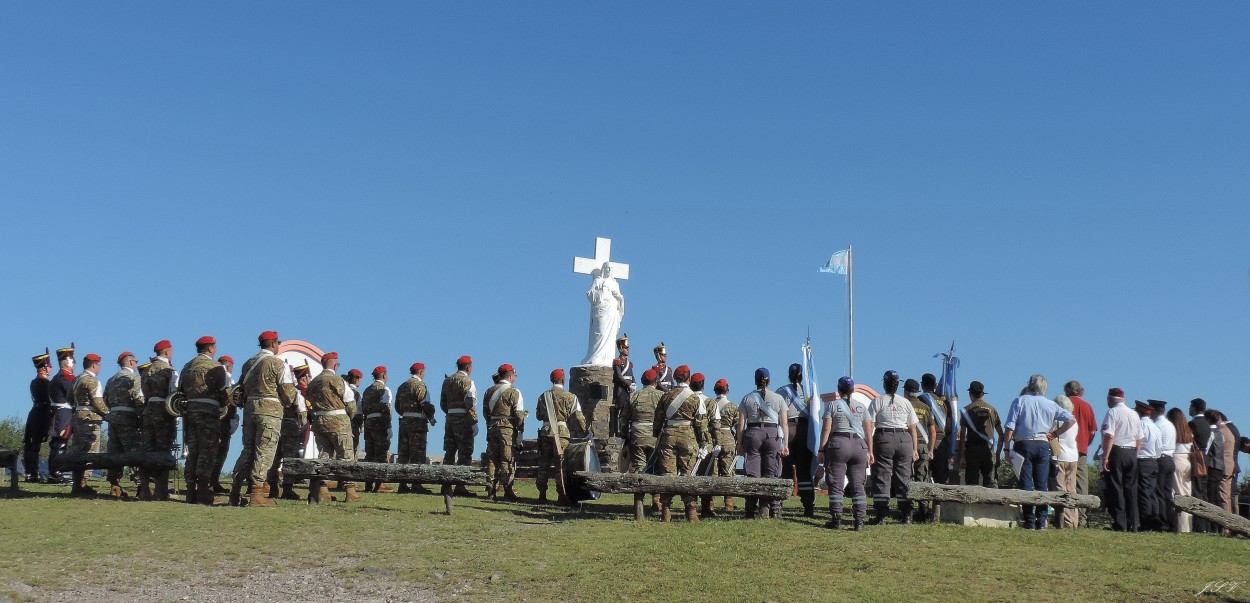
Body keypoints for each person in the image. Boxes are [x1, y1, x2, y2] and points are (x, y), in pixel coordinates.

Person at [228, 330, 298, 507]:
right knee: (264, 451)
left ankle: (235, 491)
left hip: (250, 410)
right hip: (270, 412)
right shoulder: (277, 364)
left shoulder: (248, 363)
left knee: (248, 450)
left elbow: (239, 388)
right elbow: (289, 396)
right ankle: (256, 493)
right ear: (274, 344)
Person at [1001, 374, 1075, 530]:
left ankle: (1029, 520)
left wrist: (1006, 448)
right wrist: (1055, 434)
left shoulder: (1020, 401)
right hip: (1043, 444)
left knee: (1026, 483)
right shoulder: (1050, 404)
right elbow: (1071, 420)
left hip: (1024, 444)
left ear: (1029, 385)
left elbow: (1009, 427)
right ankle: (1041, 521)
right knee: (1042, 484)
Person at [653, 367, 710, 522]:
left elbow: (657, 420)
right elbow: (701, 423)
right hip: (688, 437)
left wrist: (656, 436)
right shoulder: (695, 398)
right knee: (688, 474)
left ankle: (666, 510)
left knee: (667, 474)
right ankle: (691, 511)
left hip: (668, 436)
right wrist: (704, 442)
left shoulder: (665, 396)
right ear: (688, 378)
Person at [178, 336, 230, 505]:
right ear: (211, 349)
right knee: (207, 450)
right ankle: (202, 490)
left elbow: (180, 392)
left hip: (190, 413)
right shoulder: (215, 367)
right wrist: (224, 404)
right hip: (208, 413)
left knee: (193, 450)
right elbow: (224, 393)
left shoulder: (187, 367)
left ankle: (190, 490)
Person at [305, 352, 362, 504]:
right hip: (338, 421)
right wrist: (348, 415)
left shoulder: (314, 382)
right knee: (346, 455)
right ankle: (350, 491)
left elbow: (308, 399)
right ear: (335, 365)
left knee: (324, 454)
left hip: (319, 420)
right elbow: (350, 403)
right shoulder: (338, 381)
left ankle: (322, 490)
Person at [865, 370, 919, 525]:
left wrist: (869, 448)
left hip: (884, 438)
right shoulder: (906, 402)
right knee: (904, 477)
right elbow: (913, 428)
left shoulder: (877, 401)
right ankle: (907, 514)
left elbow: (870, 425)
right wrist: (914, 449)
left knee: (882, 476)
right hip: (904, 439)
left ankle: (881, 514)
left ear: (884, 383)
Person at [736, 368, 789, 519]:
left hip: (753, 432)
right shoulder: (778, 398)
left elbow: (741, 425)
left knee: (753, 473)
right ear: (769, 381)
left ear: (755, 380)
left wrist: (739, 444)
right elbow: (784, 424)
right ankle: (775, 509)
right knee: (771, 472)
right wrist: (785, 444)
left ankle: (750, 510)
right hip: (772, 434)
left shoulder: (747, 398)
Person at [820, 376, 869, 531]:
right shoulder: (861, 407)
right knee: (858, 485)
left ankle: (837, 519)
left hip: (839, 444)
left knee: (836, 484)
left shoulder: (833, 405)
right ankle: (859, 521)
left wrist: (821, 449)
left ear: (839, 390)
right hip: (859, 445)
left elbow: (827, 428)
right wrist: (870, 451)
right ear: (853, 390)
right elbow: (868, 432)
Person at [535, 368, 587, 505]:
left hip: (546, 431)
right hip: (561, 433)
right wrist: (586, 431)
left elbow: (538, 416)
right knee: (561, 465)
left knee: (544, 463)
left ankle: (541, 494)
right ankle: (562, 494)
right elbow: (579, 416)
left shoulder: (543, 396)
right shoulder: (570, 396)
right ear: (563, 379)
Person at [141, 340, 179, 501]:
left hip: (148, 409)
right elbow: (174, 393)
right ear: (167, 352)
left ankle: (144, 488)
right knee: (163, 449)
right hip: (163, 410)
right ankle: (160, 490)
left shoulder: (146, 370)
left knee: (148, 449)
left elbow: (142, 391)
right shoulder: (170, 371)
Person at [1100, 387, 1142, 531]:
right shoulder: (1134, 414)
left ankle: (1120, 523)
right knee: (1130, 489)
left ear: (1111, 399)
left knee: (1116, 487)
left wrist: (1106, 456)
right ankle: (1134, 523)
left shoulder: (1112, 412)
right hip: (1131, 451)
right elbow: (1140, 438)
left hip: (1117, 450)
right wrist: (1134, 454)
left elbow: (1109, 436)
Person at [777, 363, 816, 517]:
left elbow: (780, 414)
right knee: (804, 471)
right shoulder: (810, 390)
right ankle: (808, 506)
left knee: (785, 470)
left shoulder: (782, 391)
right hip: (805, 430)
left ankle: (778, 506)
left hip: (789, 429)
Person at [103, 352, 144, 498]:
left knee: (115, 452)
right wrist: (142, 417)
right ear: (132, 363)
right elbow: (138, 399)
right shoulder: (134, 379)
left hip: (113, 418)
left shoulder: (111, 380)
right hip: (129, 419)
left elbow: (105, 400)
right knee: (134, 452)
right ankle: (141, 486)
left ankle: (115, 485)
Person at [267, 363, 311, 499]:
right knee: (289, 459)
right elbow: (303, 413)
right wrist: (300, 426)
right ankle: (287, 489)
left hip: (275, 426)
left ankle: (273, 488)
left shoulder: (274, 392)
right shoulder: (295, 392)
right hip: (290, 428)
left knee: (274, 459)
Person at [482, 364, 525, 501]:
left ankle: (491, 490)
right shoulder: (514, 392)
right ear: (511, 375)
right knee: (507, 459)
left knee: (492, 459)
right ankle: (507, 489)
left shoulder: (489, 391)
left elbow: (485, 412)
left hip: (492, 426)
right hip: (507, 429)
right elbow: (519, 415)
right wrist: (520, 431)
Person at [69, 353, 109, 495]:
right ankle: (83, 483)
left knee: (78, 451)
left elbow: (69, 398)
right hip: (90, 418)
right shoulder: (93, 381)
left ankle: (76, 483)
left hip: (77, 417)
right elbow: (98, 401)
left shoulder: (76, 379)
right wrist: (108, 414)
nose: (99, 368)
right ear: (94, 365)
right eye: (99, 365)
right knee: (91, 451)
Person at [394, 362, 437, 495]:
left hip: (404, 420)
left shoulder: (402, 386)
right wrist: (431, 416)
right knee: (417, 454)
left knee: (403, 454)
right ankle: (416, 483)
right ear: (421, 372)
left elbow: (397, 406)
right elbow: (424, 403)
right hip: (417, 421)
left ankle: (402, 483)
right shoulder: (419, 385)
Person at [1063, 381, 1099, 527]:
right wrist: (1086, 443)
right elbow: (1092, 430)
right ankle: (1082, 518)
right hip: (1081, 449)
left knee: (1063, 482)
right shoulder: (1087, 406)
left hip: (1064, 448)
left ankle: (1065, 516)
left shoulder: (1064, 403)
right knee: (1081, 484)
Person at [440, 356, 479, 494]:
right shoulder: (468, 381)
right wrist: (474, 421)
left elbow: (442, 403)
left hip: (449, 418)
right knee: (465, 452)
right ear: (468, 367)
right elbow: (469, 404)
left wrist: (451, 413)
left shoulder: (447, 381)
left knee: (449, 452)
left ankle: (446, 484)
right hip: (463, 419)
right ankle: (460, 485)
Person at [957, 380, 1002, 487]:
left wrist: (962, 456)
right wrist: (998, 454)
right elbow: (1001, 434)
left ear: (970, 394)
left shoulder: (966, 410)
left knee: (972, 484)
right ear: (982, 394)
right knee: (990, 483)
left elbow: (962, 435)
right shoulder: (992, 409)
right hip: (989, 450)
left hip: (972, 450)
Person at [904, 379, 937, 522]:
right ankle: (924, 512)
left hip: (907, 445)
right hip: (923, 446)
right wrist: (930, 450)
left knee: (907, 479)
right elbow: (933, 431)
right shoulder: (925, 407)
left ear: (905, 391)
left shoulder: (903, 405)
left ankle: (908, 513)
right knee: (922, 479)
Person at [360, 366, 395, 494]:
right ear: (384, 376)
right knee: (381, 454)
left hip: (368, 422)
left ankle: (368, 484)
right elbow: (385, 409)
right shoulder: (384, 390)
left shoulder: (367, 390)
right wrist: (389, 427)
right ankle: (379, 484)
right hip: (380, 424)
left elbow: (363, 408)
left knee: (370, 454)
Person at [1048, 395, 1080, 528]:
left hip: (1059, 457)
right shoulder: (1074, 421)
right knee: (1071, 489)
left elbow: (1049, 435)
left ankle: (1061, 521)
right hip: (1072, 457)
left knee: (1059, 490)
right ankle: (1072, 521)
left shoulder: (1057, 421)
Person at [708, 378, 738, 513]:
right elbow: (737, 426)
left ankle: (710, 503)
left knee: (712, 472)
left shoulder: (710, 404)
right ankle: (728, 503)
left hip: (713, 439)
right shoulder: (732, 406)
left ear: (715, 391)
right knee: (728, 472)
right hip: (728, 439)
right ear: (728, 390)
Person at [47, 346, 77, 484]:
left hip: (59, 412)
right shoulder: (66, 377)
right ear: (68, 363)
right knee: (60, 444)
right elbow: (74, 395)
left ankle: (54, 473)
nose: (74, 365)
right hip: (64, 413)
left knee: (57, 443)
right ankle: (57, 473)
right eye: (73, 362)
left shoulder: (56, 377)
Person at [1132, 400, 1163, 531]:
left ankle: (1145, 521)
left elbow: (1136, 443)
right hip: (1154, 460)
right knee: (1152, 492)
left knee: (1143, 493)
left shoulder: (1141, 426)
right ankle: (1154, 519)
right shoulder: (1155, 427)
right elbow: (1159, 447)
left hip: (1143, 460)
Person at [920, 373, 955, 485]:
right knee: (941, 475)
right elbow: (949, 426)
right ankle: (938, 502)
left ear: (922, 385)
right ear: (935, 385)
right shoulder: (945, 402)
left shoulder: (920, 400)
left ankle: (923, 501)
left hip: (925, 440)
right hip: (941, 441)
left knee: (923, 472)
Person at [209, 355, 237, 495]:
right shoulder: (227, 379)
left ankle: (212, 481)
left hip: (212, 418)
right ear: (228, 366)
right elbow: (229, 399)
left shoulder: (212, 376)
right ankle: (212, 482)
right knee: (220, 452)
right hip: (223, 419)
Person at [24, 352, 53, 483]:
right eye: (49, 366)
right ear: (45, 367)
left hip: (36, 412)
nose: (51, 369)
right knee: (34, 445)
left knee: (32, 446)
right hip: (42, 414)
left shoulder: (35, 381)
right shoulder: (44, 382)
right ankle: (32, 473)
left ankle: (31, 472)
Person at [1149, 400, 1176, 532]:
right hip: (1170, 459)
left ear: (1153, 410)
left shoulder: (1157, 425)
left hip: (1161, 459)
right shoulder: (1170, 424)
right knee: (1167, 493)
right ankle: (1171, 522)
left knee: (1159, 492)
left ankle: (1162, 522)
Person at [1188, 398, 1214, 532]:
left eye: (1190, 406)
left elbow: (1188, 442)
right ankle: (1206, 525)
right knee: (1204, 492)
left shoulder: (1193, 424)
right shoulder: (1207, 424)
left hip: (1196, 459)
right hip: (1206, 458)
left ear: (1194, 408)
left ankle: (1198, 525)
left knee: (1196, 491)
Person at [1168, 407, 1195, 532]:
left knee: (1177, 493)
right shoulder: (1188, 432)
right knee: (1187, 493)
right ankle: (1188, 525)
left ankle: (1179, 526)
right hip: (1187, 460)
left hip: (1176, 459)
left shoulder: (1173, 431)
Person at [610, 334, 635, 438]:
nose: (628, 349)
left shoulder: (629, 363)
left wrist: (634, 383)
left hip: (628, 389)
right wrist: (629, 384)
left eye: (628, 347)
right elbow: (619, 376)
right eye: (626, 348)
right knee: (619, 411)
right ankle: (618, 431)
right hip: (621, 390)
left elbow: (631, 376)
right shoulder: (617, 361)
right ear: (620, 348)